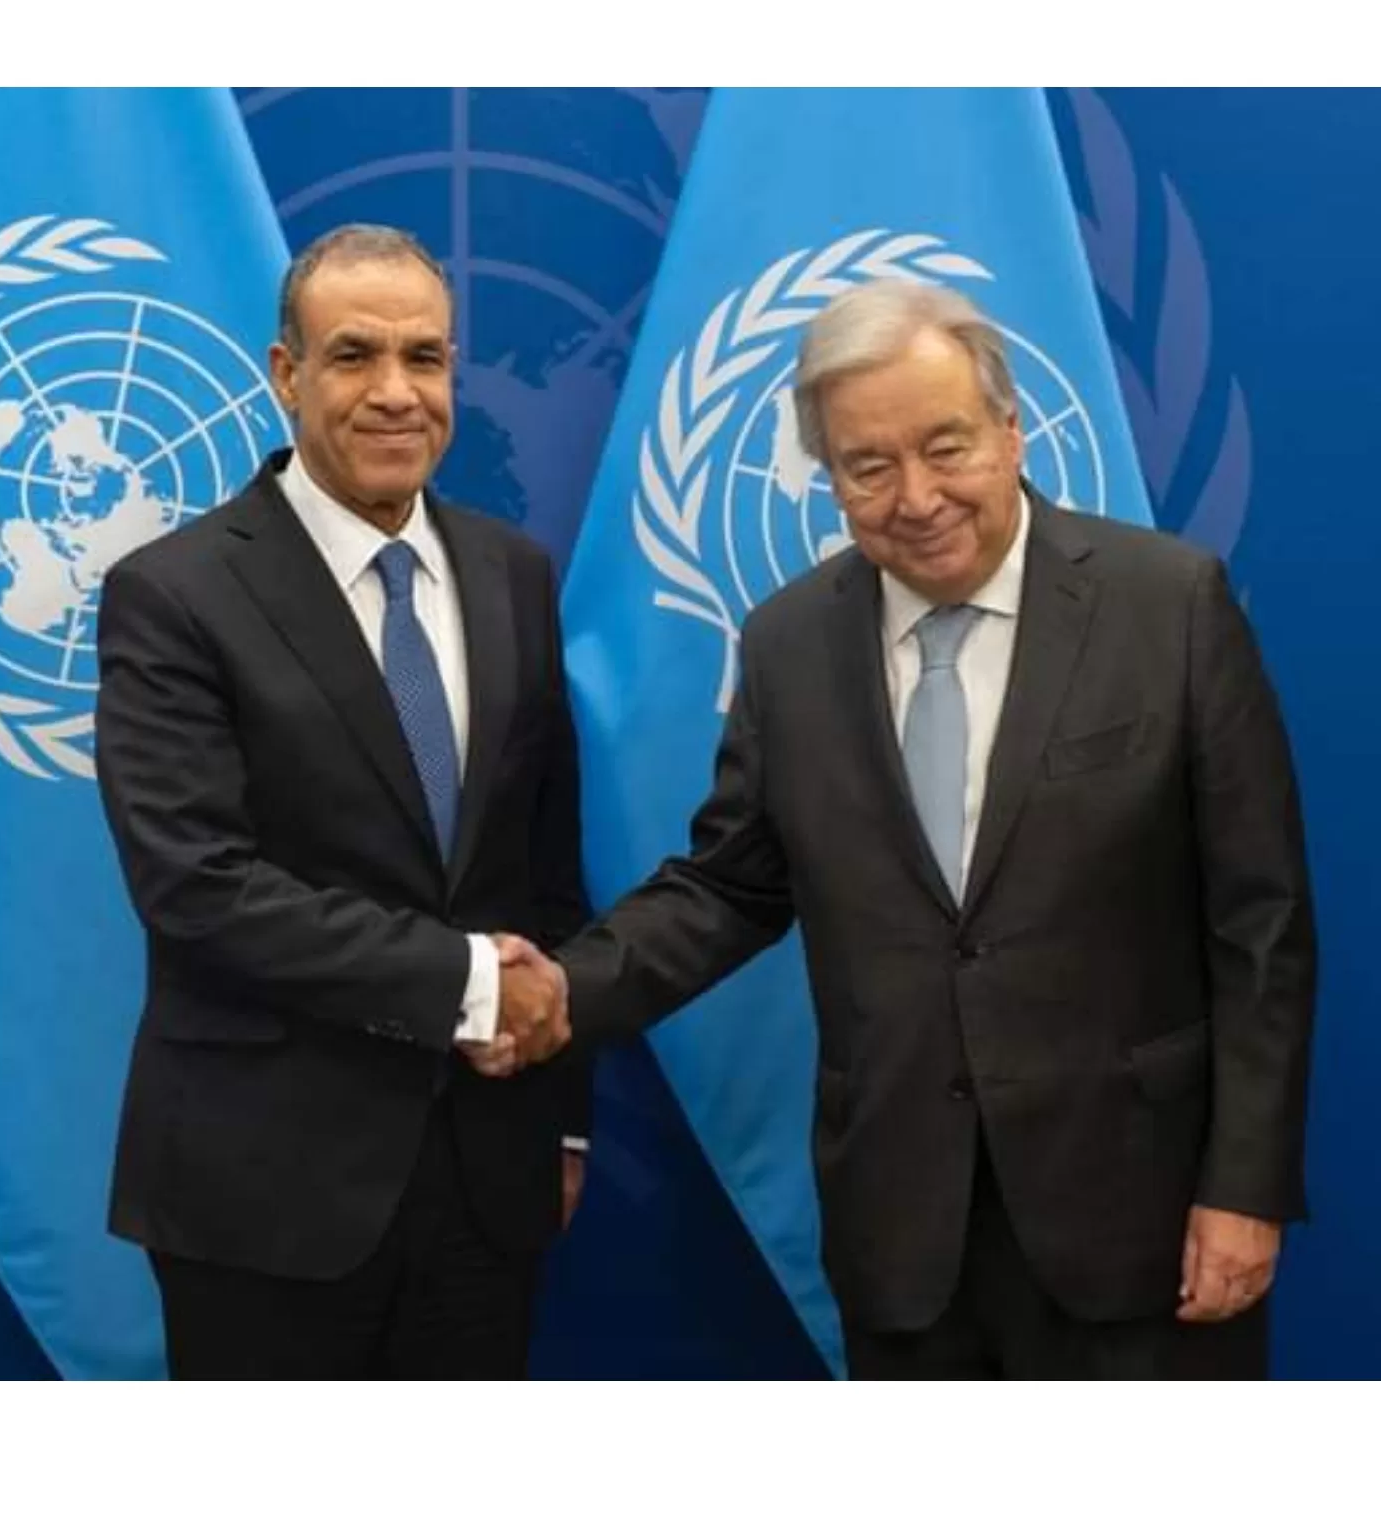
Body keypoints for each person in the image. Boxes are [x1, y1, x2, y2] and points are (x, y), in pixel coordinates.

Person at [526, 277, 1316, 1378]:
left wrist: (1245, 1187)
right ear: (830, 477)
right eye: (868, 466)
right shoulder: (790, 644)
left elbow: (1261, 925)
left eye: (946, 448)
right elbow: (731, 887)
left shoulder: (1169, 607)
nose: (916, 496)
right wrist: (558, 994)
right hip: (903, 1236)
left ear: (1011, 430)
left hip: (1143, 1221)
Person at [95, 224, 580, 1379]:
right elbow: (196, 887)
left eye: (426, 357)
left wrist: (562, 1115)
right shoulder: (173, 594)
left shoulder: (513, 574)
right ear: (287, 374)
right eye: (355, 355)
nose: (396, 393)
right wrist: (469, 985)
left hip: (488, 1181)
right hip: (266, 1198)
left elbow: (543, 866)